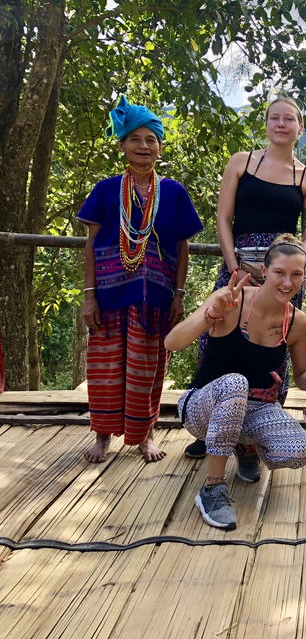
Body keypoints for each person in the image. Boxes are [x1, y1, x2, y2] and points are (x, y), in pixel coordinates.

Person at [186, 96, 306, 459]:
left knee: (274, 347)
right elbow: (223, 218)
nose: (281, 124)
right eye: (274, 118)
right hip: (238, 268)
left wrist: (290, 267)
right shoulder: (241, 163)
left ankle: (256, 434)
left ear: (300, 127)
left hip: (283, 273)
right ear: (265, 124)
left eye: (289, 119)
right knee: (217, 339)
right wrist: (234, 265)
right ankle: (210, 426)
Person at [165, 235, 306, 530]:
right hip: (201, 407)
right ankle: (213, 486)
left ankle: (243, 446)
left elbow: (302, 377)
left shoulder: (298, 322)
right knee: (235, 383)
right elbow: (172, 342)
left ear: (304, 277)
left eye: (296, 274)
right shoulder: (230, 300)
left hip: (250, 411)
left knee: (296, 450)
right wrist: (211, 315)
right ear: (264, 272)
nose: (287, 283)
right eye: (279, 272)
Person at [78, 96, 203, 464]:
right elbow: (90, 245)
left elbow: (182, 249)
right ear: (122, 146)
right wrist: (89, 296)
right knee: (106, 369)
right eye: (135, 139)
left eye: (151, 140)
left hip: (155, 301)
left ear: (160, 147)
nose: (143, 147)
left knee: (147, 369)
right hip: (110, 297)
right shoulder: (105, 191)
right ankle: (103, 436)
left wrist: (179, 295)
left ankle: (144, 436)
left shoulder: (174, 193)